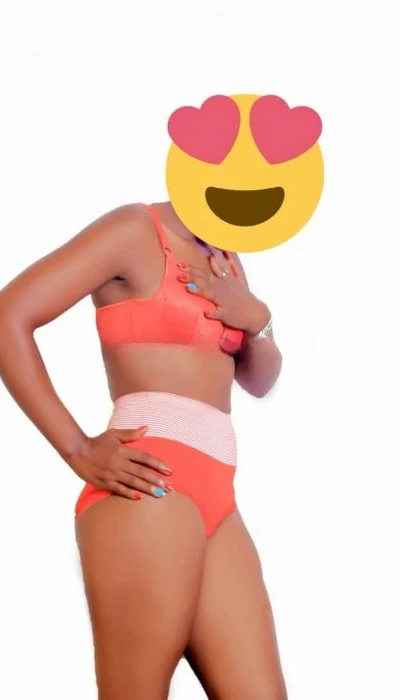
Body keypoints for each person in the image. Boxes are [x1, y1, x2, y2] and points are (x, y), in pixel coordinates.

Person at [0, 201, 286, 700]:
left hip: (220, 504)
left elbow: (258, 382)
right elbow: (8, 315)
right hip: (149, 485)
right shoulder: (135, 229)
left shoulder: (224, 253)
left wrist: (257, 318)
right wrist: (76, 448)